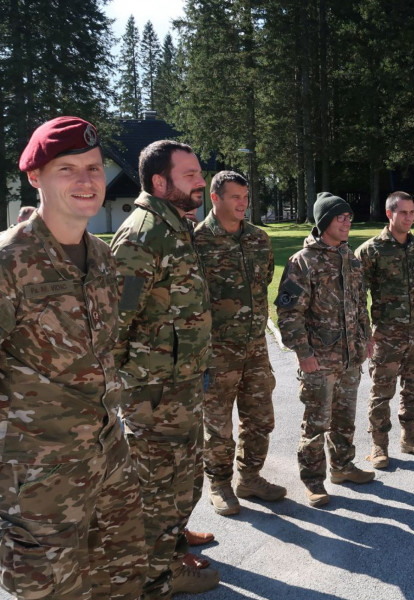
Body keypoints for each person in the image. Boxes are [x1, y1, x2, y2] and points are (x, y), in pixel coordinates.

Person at [0, 116, 147, 599]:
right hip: (40, 480)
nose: (87, 180)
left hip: (108, 457)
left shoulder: (104, 259)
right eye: (68, 169)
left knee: (122, 576)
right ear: (35, 177)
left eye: (93, 167)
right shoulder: (9, 262)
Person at [110, 140, 217, 597]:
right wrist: (135, 387)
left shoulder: (174, 226)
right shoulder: (143, 233)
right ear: (159, 182)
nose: (201, 181)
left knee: (185, 477)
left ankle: (173, 543)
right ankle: (158, 578)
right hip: (154, 394)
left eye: (199, 173)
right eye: (190, 174)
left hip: (181, 384)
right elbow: (113, 324)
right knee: (156, 490)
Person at [194, 171, 285, 516]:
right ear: (214, 198)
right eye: (235, 197)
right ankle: (219, 483)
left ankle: (250, 477)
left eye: (246, 197)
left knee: (260, 418)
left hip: (256, 347)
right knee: (217, 425)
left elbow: (265, 280)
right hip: (216, 351)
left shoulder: (259, 239)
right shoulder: (197, 242)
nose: (242, 203)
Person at [275, 192, 374, 508]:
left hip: (350, 357)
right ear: (324, 222)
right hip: (318, 360)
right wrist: (303, 353)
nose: (347, 222)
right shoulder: (302, 262)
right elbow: (289, 313)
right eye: (340, 217)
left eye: (348, 217)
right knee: (316, 422)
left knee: (345, 418)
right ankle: (313, 480)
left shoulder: (351, 259)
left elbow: (360, 306)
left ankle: (343, 467)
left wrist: (366, 338)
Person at [356, 191, 414, 469]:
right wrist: (365, 331)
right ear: (389, 213)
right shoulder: (371, 250)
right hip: (386, 336)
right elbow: (358, 295)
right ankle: (379, 445)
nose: (409, 217)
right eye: (403, 212)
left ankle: (410, 437)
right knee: (382, 392)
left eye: (412, 212)